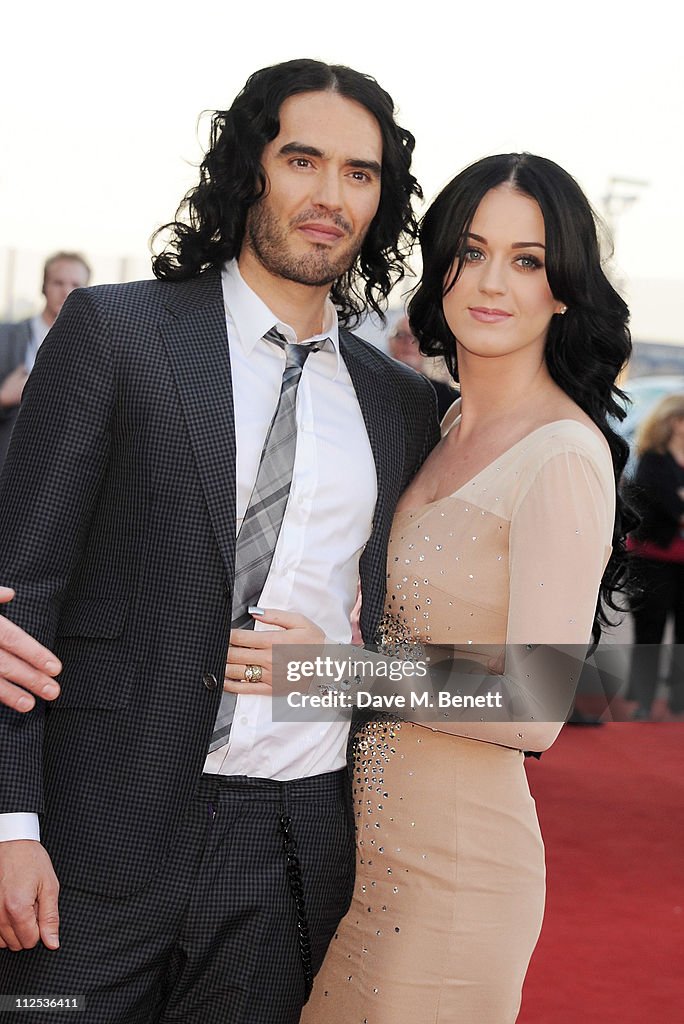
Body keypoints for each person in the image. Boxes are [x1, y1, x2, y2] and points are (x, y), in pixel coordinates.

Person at [0, 59, 438, 1023]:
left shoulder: (402, 405)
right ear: (250, 170)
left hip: (289, 849)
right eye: (302, 160)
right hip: (92, 825)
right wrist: (9, 824)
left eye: (359, 174)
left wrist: (329, 673)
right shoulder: (117, 333)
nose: (329, 197)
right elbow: (17, 592)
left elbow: (513, 680)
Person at [226, 152, 633, 1023]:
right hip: (361, 864)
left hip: (458, 882)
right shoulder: (436, 424)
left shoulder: (564, 453)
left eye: (527, 261)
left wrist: (328, 670)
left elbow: (538, 698)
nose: (492, 283)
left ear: (563, 288)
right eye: (472, 251)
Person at [0, 252, 91, 471]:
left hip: (63, 468)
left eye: (75, 284)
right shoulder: (6, 337)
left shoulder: (92, 345)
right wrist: (3, 398)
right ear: (44, 286)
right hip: (9, 463)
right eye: (58, 282)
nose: (66, 291)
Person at [625, 393, 684, 720]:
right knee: (650, 631)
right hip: (653, 560)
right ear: (675, 422)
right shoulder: (652, 460)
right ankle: (644, 701)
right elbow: (670, 509)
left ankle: (679, 699)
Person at [387, 312, 457, 418]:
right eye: (402, 335)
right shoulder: (371, 388)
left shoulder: (448, 398)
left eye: (417, 337)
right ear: (390, 343)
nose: (409, 343)